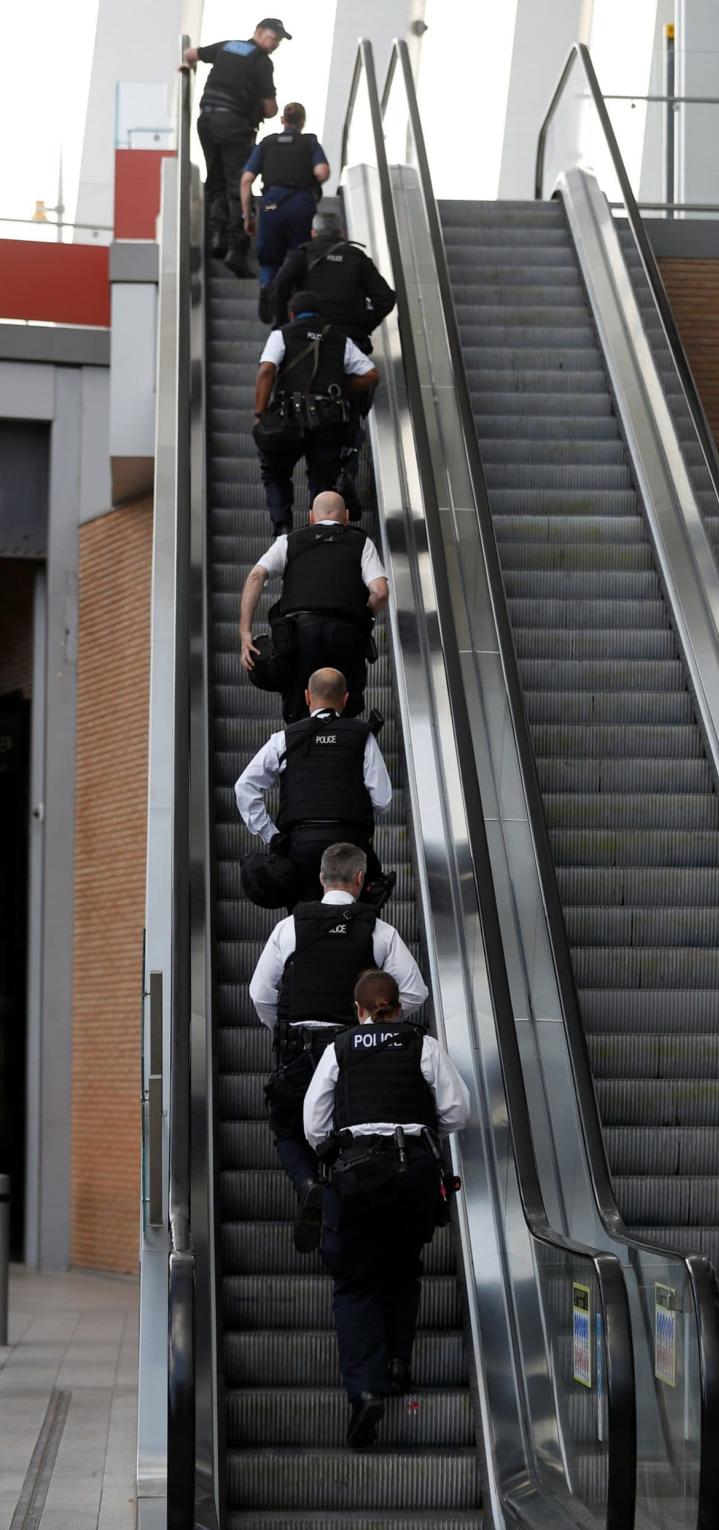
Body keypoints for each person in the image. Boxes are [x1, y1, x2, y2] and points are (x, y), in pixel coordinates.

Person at [303, 968, 469, 1449]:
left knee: (355, 1284)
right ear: (399, 1006)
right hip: (413, 1171)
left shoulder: (340, 1049)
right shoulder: (424, 1045)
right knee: (403, 1269)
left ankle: (365, 1389)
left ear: (358, 1009)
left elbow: (315, 1125)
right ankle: (398, 1364)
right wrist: (417, 1124)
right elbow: (458, 1113)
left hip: (356, 1176)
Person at [249, 844, 429, 1254]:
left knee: (288, 1125)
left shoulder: (290, 928)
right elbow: (415, 992)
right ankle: (348, 1220)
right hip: (356, 1054)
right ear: (361, 880)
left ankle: (308, 1183)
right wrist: (374, 1026)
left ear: (321, 878)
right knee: (353, 1133)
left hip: (298, 1052)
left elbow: (259, 993)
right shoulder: (379, 931)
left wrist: (283, 1029)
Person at [234, 665, 395, 905]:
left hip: (300, 847)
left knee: (305, 922)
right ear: (346, 698)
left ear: (308, 696)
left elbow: (244, 787)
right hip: (350, 846)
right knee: (357, 919)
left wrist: (272, 835)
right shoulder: (362, 736)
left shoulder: (283, 739)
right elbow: (383, 801)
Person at [239, 491, 389, 723]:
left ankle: (303, 750)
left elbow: (256, 576)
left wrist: (245, 633)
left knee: (299, 709)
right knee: (344, 705)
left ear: (311, 517)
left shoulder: (289, 540)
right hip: (346, 635)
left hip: (300, 636)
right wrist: (364, 615)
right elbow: (380, 592)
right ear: (347, 516)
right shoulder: (362, 542)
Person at [253, 291, 378, 534]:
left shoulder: (282, 334)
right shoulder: (340, 339)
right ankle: (319, 532)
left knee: (275, 471)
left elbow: (266, 370)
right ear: (321, 316)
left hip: (287, 419)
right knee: (322, 480)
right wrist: (340, 389)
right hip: (328, 422)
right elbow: (371, 375)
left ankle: (282, 526)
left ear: (292, 314)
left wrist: (260, 412)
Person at [181, 19, 290, 275]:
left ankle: (217, 234)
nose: (274, 45)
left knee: (215, 177)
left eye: (277, 41)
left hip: (206, 121)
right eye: (272, 39)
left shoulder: (228, 46)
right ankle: (236, 249)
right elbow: (271, 108)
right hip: (234, 125)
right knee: (237, 182)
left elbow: (191, 54)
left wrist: (186, 67)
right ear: (258, 33)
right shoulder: (262, 62)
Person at [240, 103, 330, 319]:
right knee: (298, 254)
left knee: (270, 258)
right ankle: (297, 304)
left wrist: (247, 216)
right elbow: (322, 171)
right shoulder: (309, 142)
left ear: (282, 120)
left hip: (271, 204)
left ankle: (266, 288)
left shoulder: (267, 143)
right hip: (300, 202)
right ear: (303, 121)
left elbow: (246, 180)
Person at [270, 207, 396, 346]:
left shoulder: (301, 255)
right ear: (342, 233)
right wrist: (363, 325)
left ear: (313, 233)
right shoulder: (357, 257)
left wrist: (283, 322)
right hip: (348, 338)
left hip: (307, 335)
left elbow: (279, 285)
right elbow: (386, 298)